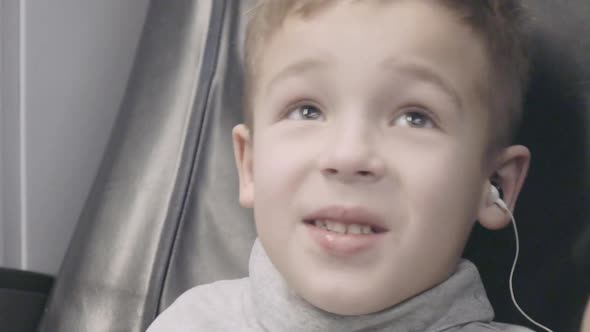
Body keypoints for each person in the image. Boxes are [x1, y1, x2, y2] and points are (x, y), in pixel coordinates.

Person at [147, 0, 535, 330]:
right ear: (250, 166)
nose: (347, 156)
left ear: (495, 183)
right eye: (306, 110)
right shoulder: (190, 321)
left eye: (415, 118)